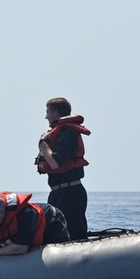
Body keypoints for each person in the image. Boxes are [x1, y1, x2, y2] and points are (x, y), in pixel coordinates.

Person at [36, 97, 91, 240]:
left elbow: (55, 163)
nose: (46, 116)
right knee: (53, 231)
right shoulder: (59, 132)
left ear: (55, 113)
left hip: (70, 193)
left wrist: (42, 143)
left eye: (47, 112)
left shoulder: (68, 133)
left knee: (74, 234)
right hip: (57, 193)